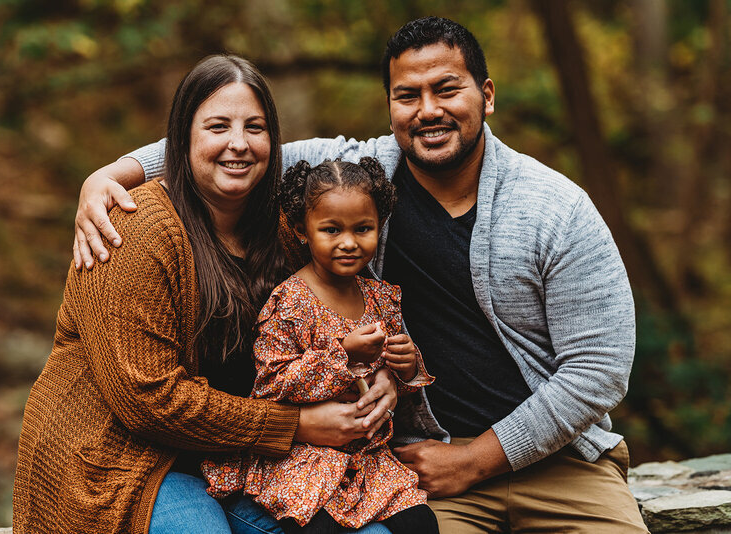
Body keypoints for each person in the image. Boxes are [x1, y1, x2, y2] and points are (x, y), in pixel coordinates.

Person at [72, 17, 649, 533]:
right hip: (426, 466)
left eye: (447, 89)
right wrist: (110, 175)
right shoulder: (358, 179)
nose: (428, 110)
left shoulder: (556, 209)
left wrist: (477, 459)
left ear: (487, 95)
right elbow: (235, 145)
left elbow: (599, 368)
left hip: (562, 468)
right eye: (408, 95)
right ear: (390, 105)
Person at [13, 54, 397, 534]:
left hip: (233, 454)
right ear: (181, 138)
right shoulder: (136, 230)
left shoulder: (283, 230)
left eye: (254, 128)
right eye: (218, 126)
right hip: (118, 459)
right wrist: (294, 425)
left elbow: (322, 335)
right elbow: (149, 401)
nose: (238, 144)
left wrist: (381, 377)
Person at [201, 158, 439, 534]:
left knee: (421, 523)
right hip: (303, 459)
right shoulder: (290, 302)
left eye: (364, 229)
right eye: (331, 229)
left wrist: (406, 369)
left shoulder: (380, 297)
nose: (348, 242)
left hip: (369, 459)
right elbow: (272, 385)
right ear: (302, 230)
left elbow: (397, 386)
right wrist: (342, 354)